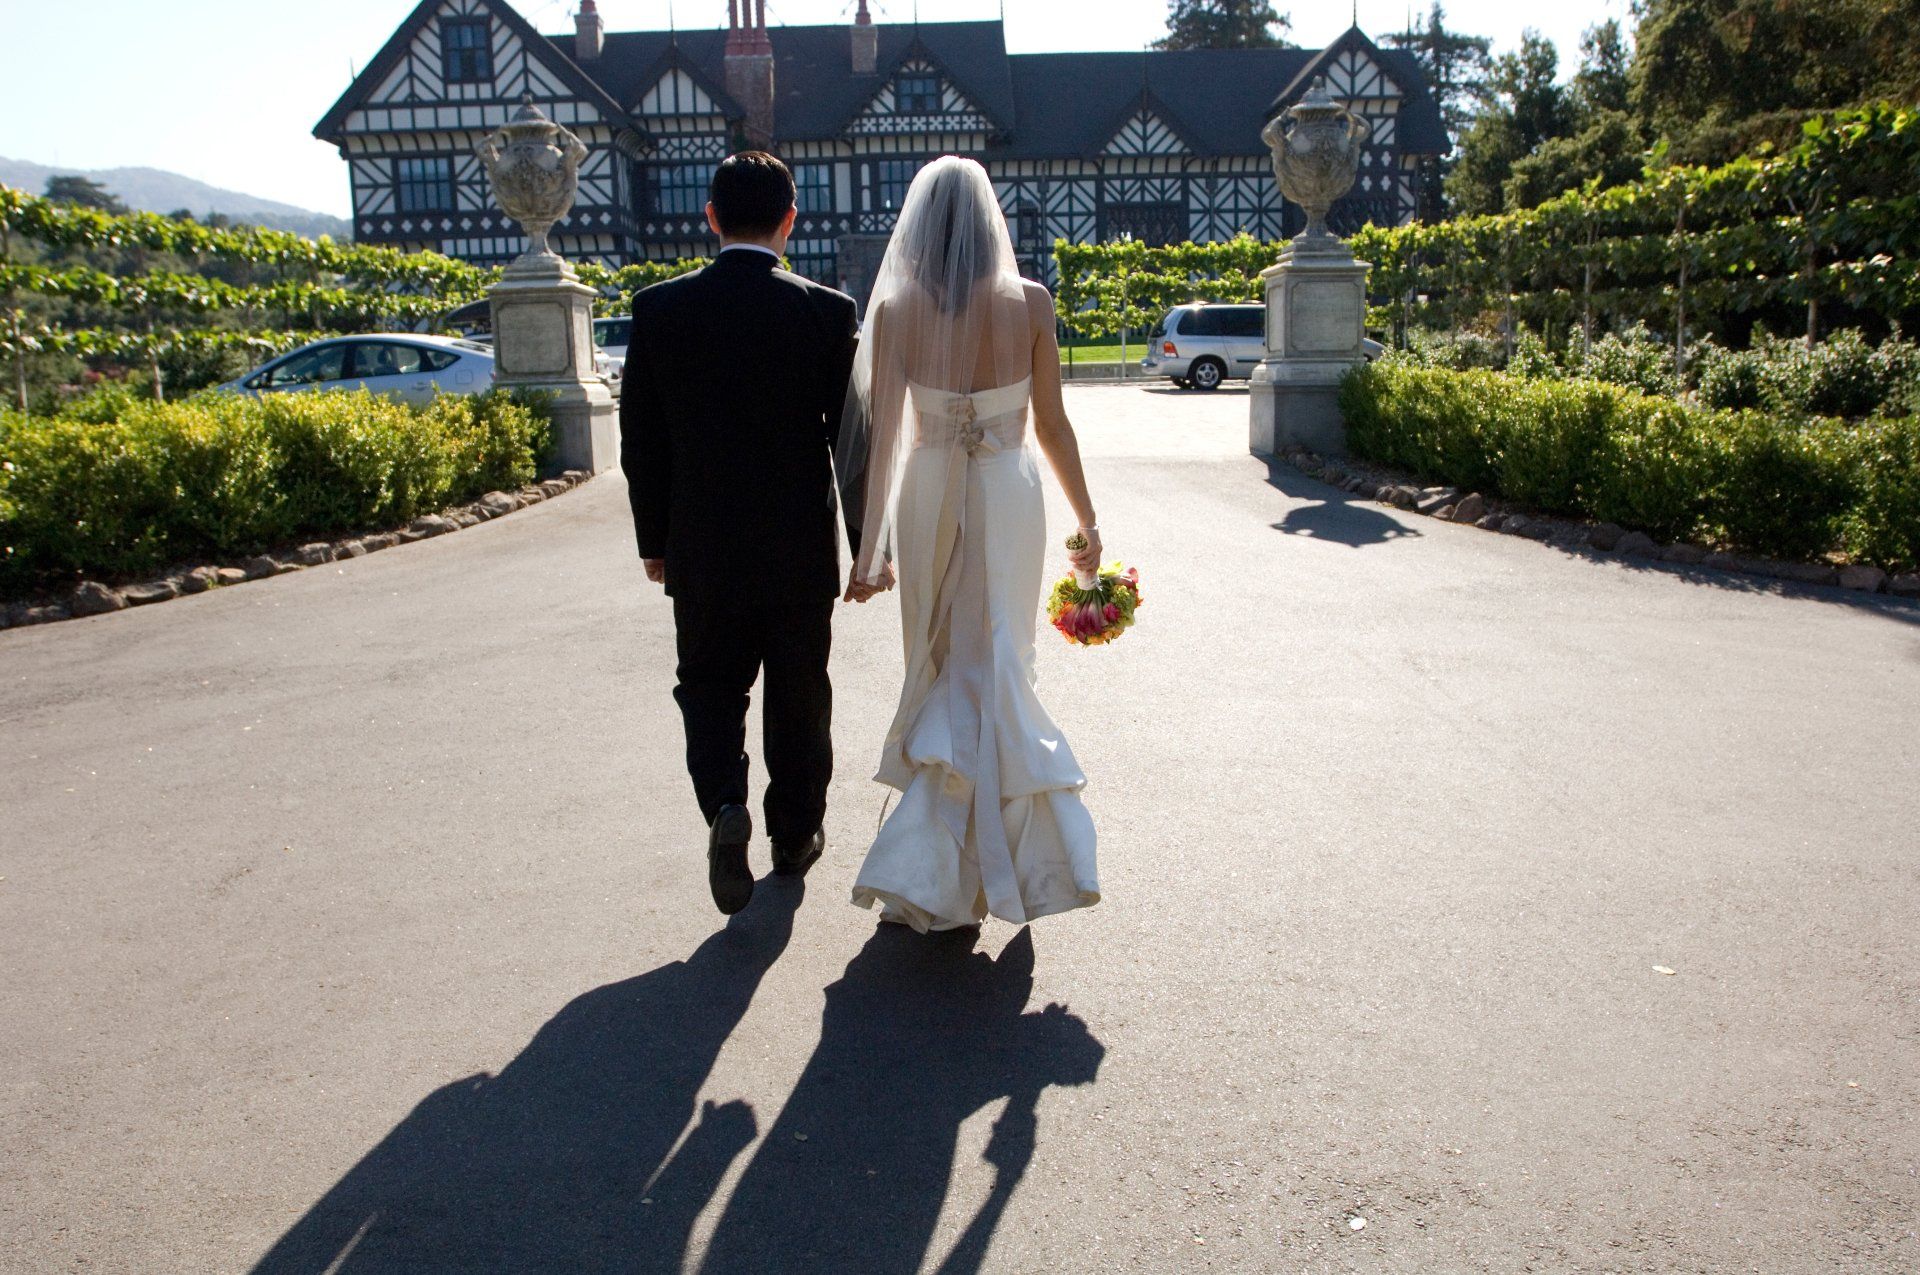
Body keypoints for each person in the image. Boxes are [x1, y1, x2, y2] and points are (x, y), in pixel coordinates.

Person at [837, 156, 1104, 933]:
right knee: (1002, 661)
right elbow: (1051, 424)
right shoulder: (1032, 303)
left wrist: (870, 547)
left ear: (918, 229)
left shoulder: (895, 313)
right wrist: (1088, 520)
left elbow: (884, 437)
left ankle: (932, 872)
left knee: (940, 661)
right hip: (1009, 493)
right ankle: (1025, 862)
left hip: (928, 493)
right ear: (993, 226)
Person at [621, 151, 861, 916]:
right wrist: (865, 543)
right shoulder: (826, 311)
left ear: (711, 218)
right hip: (797, 547)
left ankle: (726, 802)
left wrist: (654, 540)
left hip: (701, 543)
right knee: (799, 693)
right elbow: (852, 440)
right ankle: (796, 834)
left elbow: (640, 441)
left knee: (709, 686)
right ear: (791, 220)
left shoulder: (658, 309)